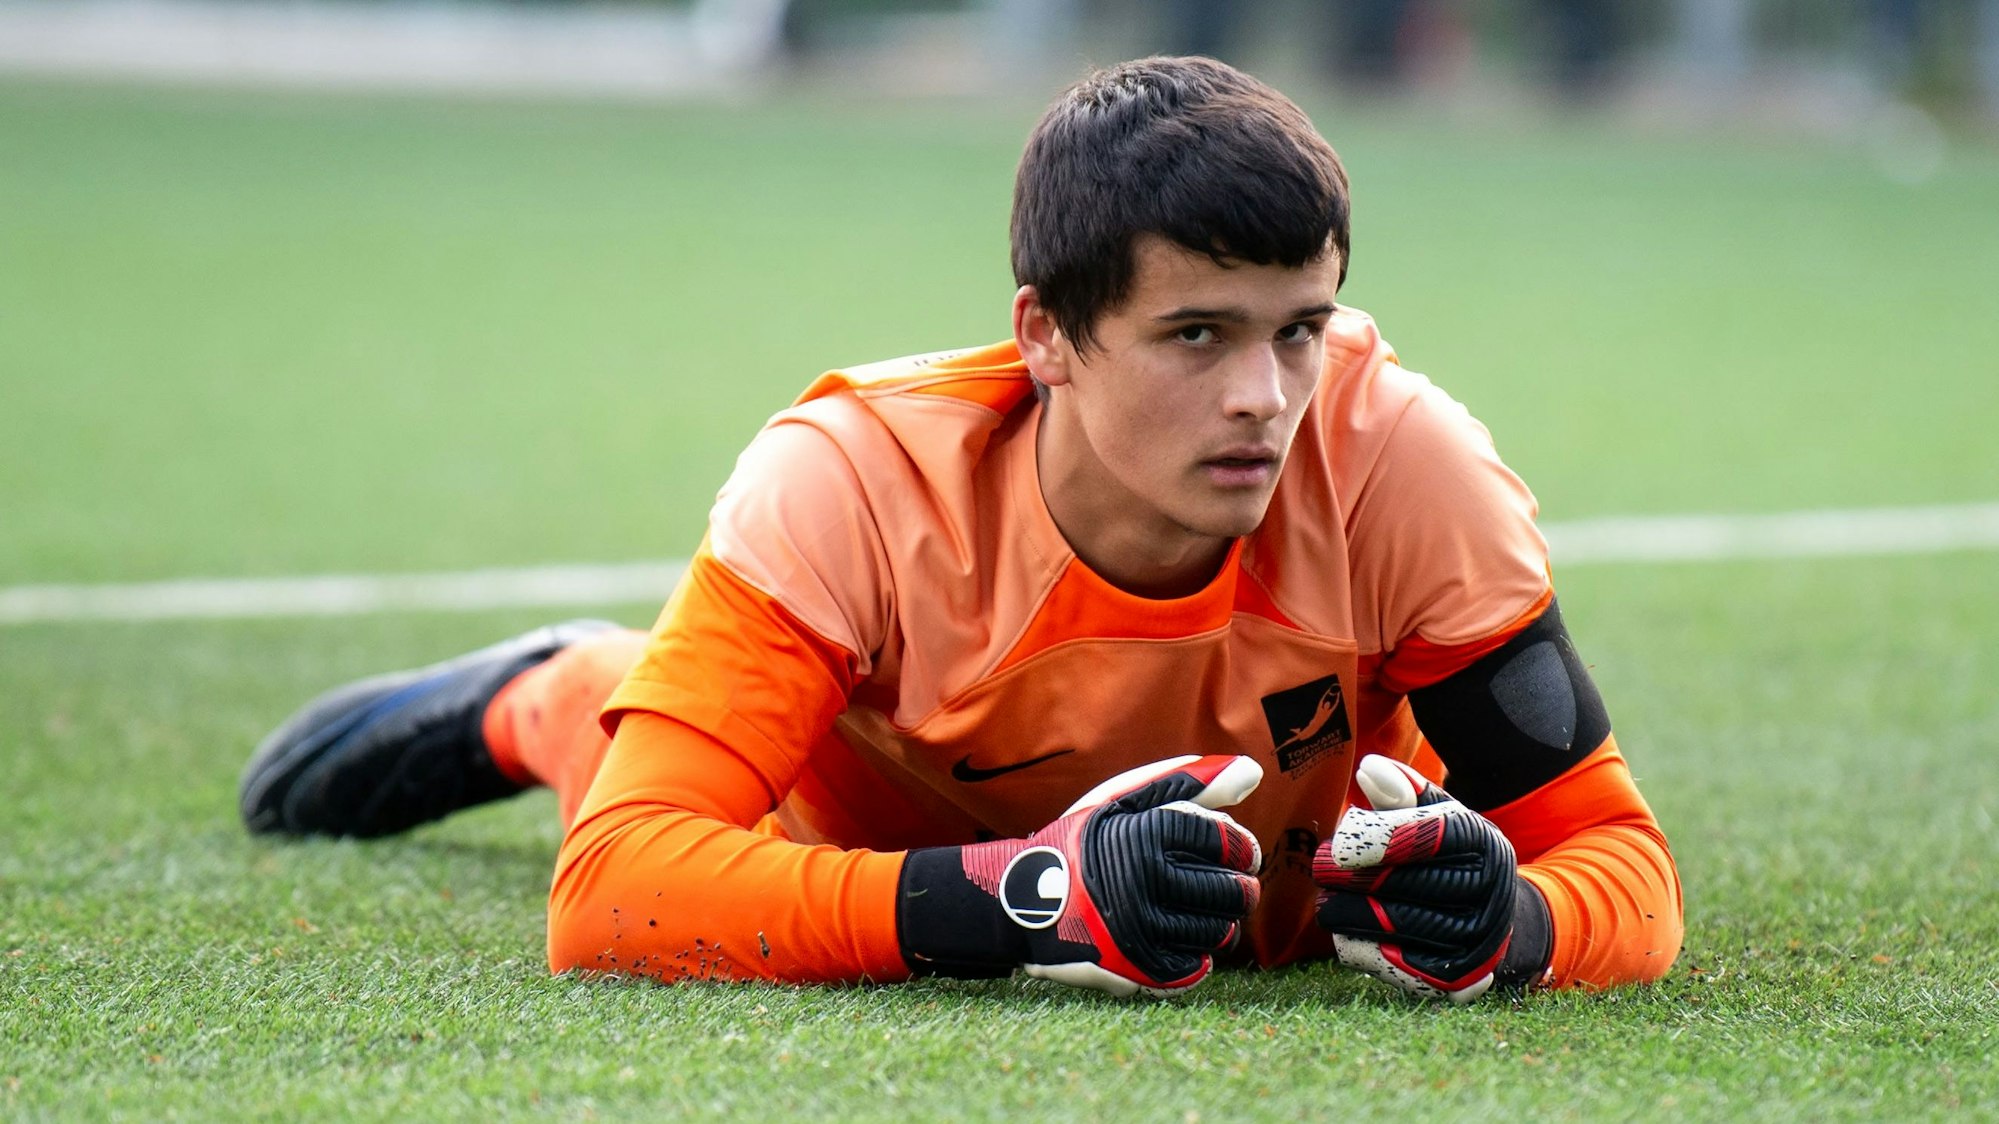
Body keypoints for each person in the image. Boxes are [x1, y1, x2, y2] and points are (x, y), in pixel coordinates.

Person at [240, 55, 1682, 1002]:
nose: (1266, 398)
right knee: (627, 743)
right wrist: (1025, 902)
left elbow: (1623, 864)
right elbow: (613, 891)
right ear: (1046, 336)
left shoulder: (1405, 463)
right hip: (872, 829)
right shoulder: (851, 481)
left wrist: (1519, 921)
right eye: (1196, 334)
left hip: (1283, 905)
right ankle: (562, 691)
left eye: (1300, 330)